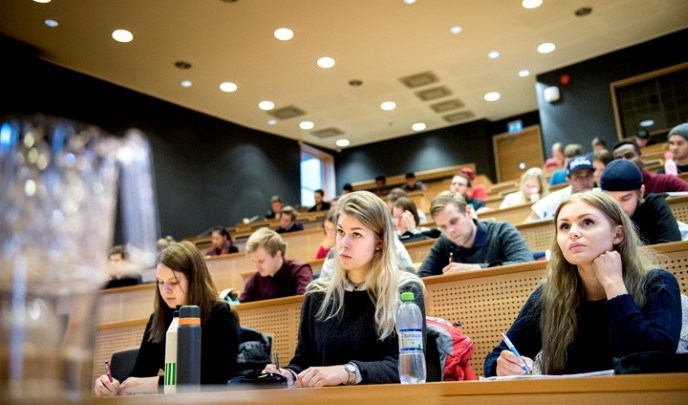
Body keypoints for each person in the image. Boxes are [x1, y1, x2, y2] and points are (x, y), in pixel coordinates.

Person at [484, 192, 681, 376]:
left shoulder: (657, 283)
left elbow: (656, 360)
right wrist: (501, 366)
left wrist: (614, 286)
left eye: (587, 222)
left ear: (618, 234)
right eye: (564, 226)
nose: (573, 233)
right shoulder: (549, 295)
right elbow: (495, 358)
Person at [263, 191, 426, 387]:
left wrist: (348, 372)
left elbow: (405, 366)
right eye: (341, 232)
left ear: (379, 243)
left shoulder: (405, 290)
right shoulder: (317, 294)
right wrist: (288, 374)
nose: (343, 244)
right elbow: (304, 361)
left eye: (356, 234)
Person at [94, 242, 241, 395]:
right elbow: (140, 374)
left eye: (174, 282)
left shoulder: (221, 315)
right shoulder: (158, 319)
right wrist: (114, 386)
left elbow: (215, 381)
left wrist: (155, 384)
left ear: (194, 280)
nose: (165, 290)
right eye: (161, 282)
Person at [418, 191, 532, 277]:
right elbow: (422, 278)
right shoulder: (444, 241)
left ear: (468, 212)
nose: (450, 231)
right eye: (443, 227)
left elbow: (526, 264)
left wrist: (476, 268)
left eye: (454, 221)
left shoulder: (502, 231)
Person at [600, 159, 681, 245]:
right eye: (611, 200)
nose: (618, 207)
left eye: (625, 198)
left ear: (641, 192)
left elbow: (671, 247)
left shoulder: (655, 205)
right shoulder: (599, 212)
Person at [240, 228, 313, 302]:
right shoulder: (256, 279)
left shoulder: (300, 270)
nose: (257, 267)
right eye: (254, 262)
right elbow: (241, 305)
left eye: (261, 261)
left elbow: (306, 302)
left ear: (277, 255)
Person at [527, 155, 597, 222]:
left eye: (589, 175)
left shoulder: (602, 197)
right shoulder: (553, 201)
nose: (585, 181)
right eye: (578, 177)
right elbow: (529, 222)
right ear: (568, 181)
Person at [612, 140, 688, 194]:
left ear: (642, 159)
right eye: (618, 159)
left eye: (629, 156)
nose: (624, 161)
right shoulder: (612, 192)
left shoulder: (667, 181)